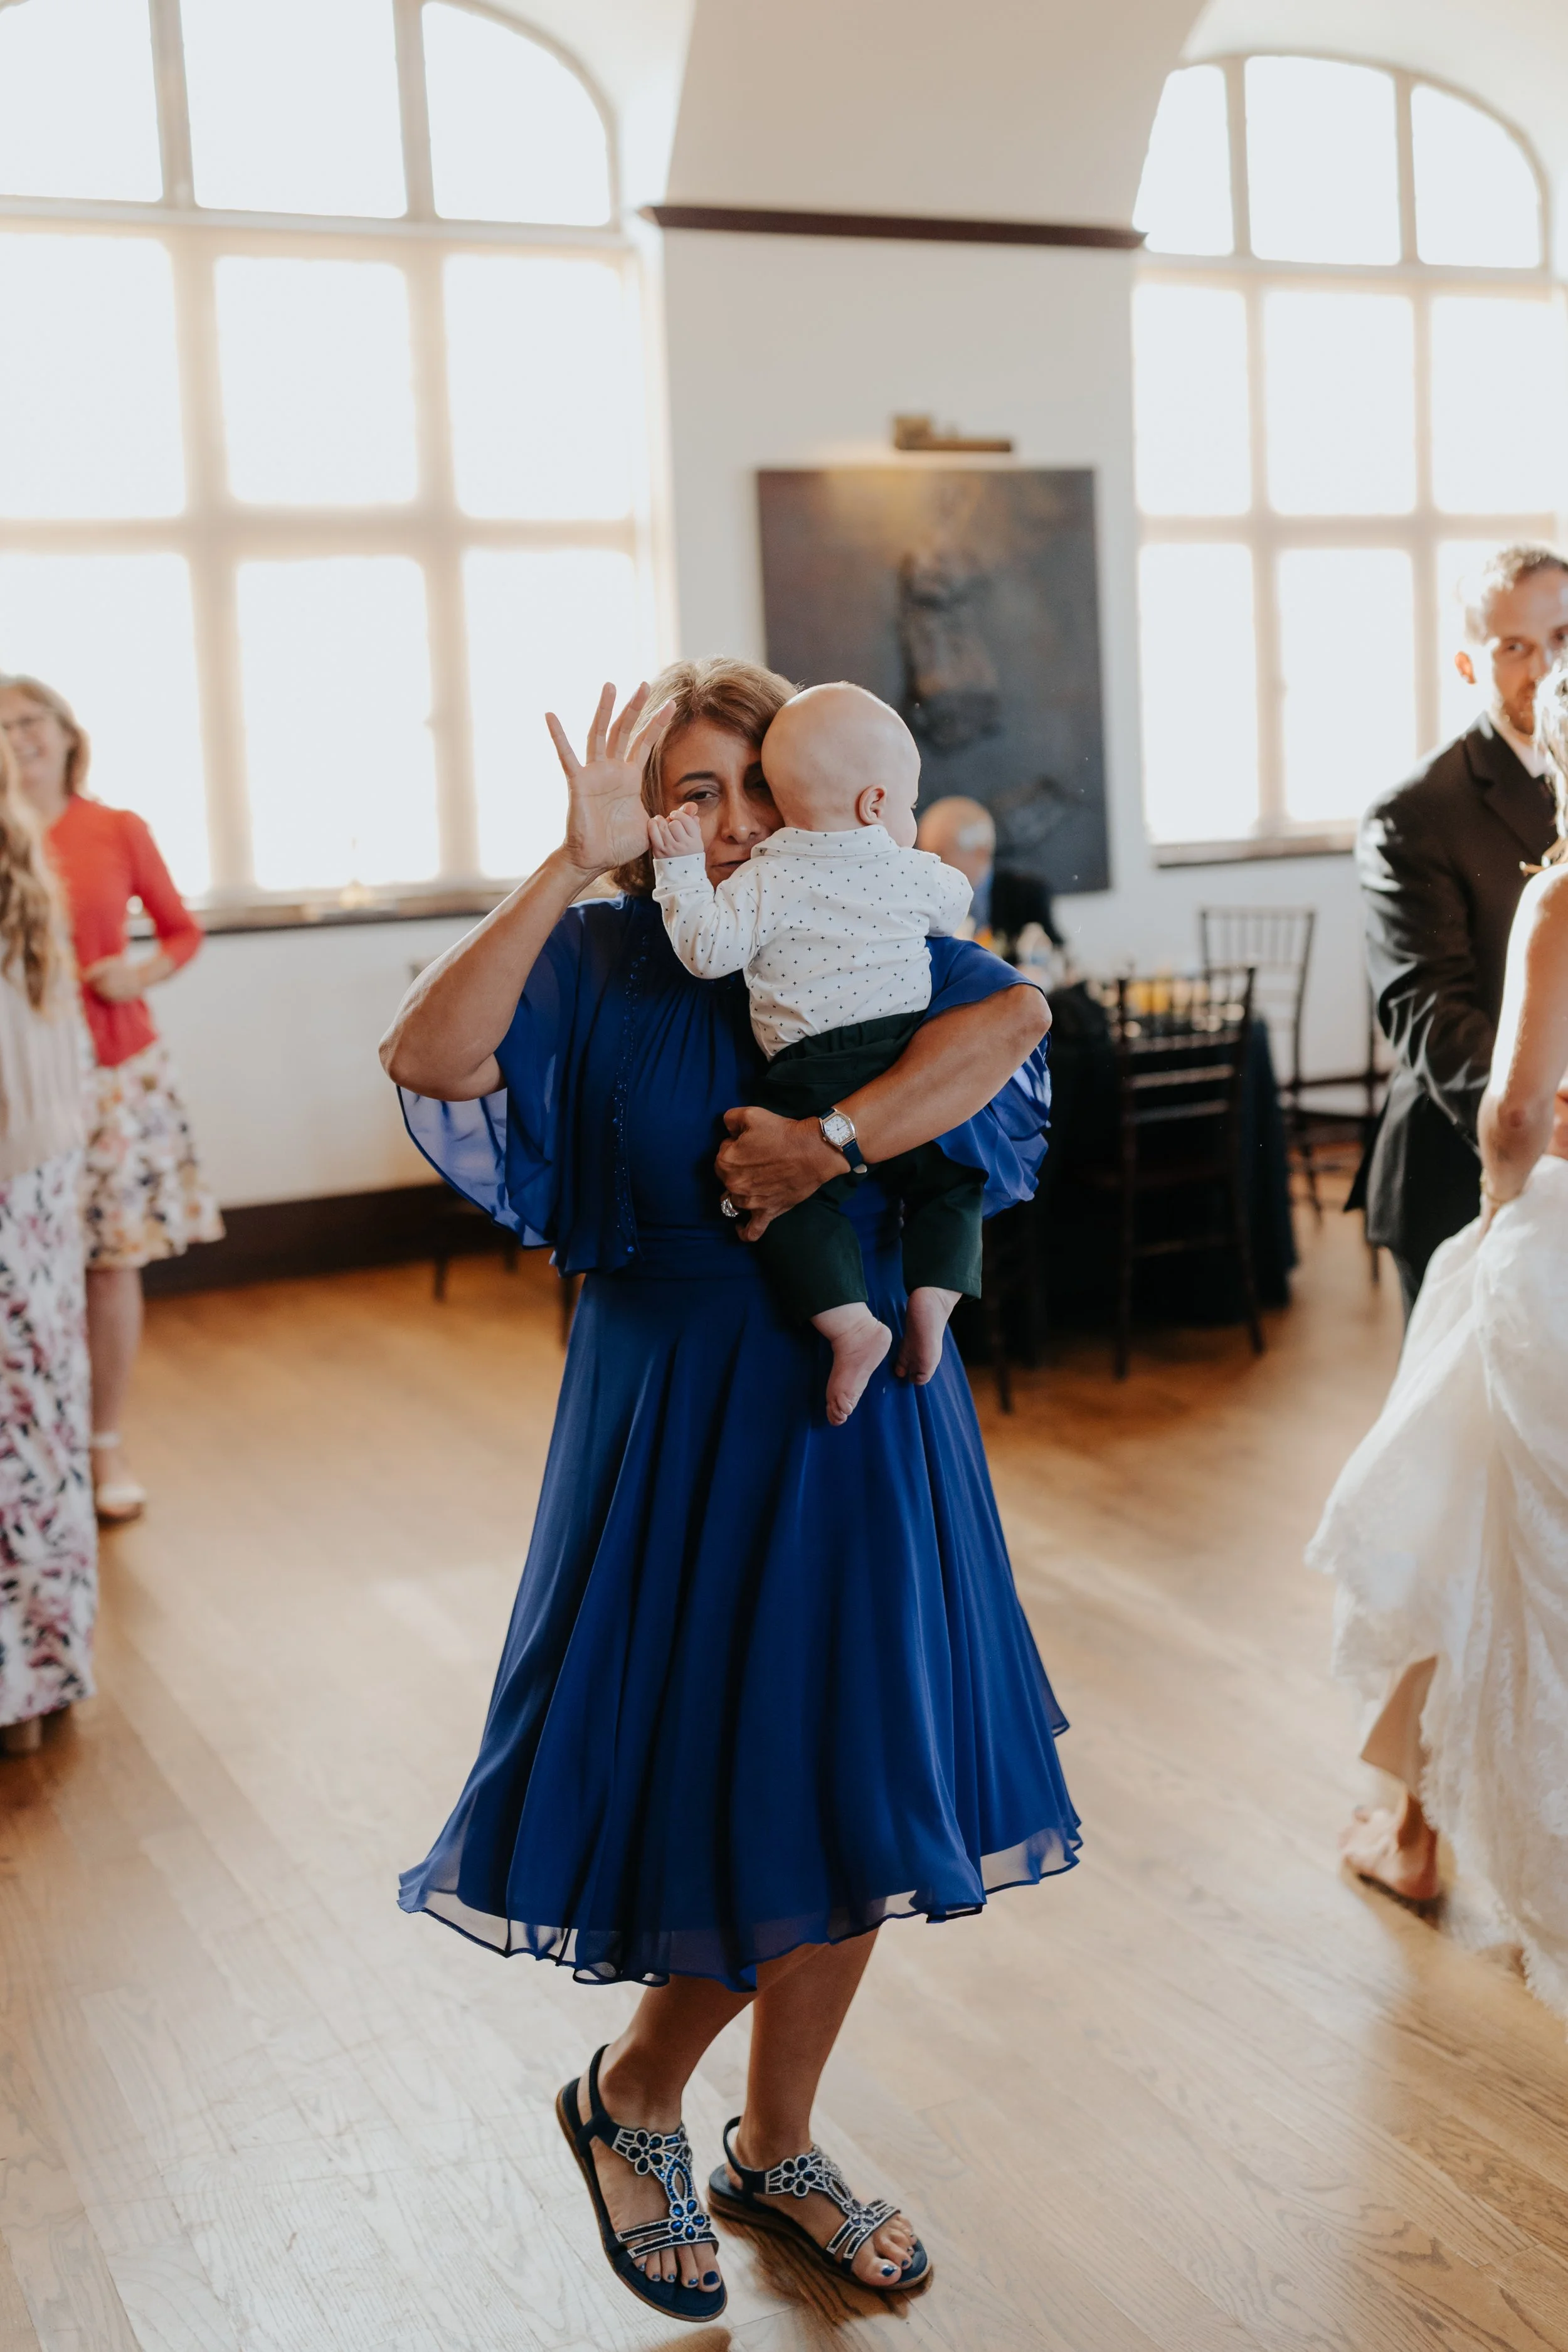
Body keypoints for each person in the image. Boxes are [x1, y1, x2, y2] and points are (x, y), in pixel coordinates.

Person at [383, 659, 1079, 2325]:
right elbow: (430, 1051)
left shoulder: (862, 918)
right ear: (647, 820)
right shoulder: (610, 953)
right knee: (727, 1764)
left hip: (868, 1407)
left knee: (866, 1766)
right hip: (680, 1405)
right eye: (693, 793)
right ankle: (635, 2088)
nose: (734, 820)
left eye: (753, 783)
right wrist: (566, 863)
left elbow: (1011, 1022)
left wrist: (831, 1142)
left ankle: (776, 2143)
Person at [1309, 658, 1568, 2009]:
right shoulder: (1417, 817)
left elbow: (1515, 1114)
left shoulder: (1562, 895)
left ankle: (1419, 1834)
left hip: (1553, 1229)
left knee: (1465, 1522)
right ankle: (1412, 1826)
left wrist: (1504, 1218)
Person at [650, 682, 977, 1424]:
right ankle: (935, 1296)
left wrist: (679, 871)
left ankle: (851, 1327)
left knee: (793, 1201)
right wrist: (913, 865)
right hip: (906, 1060)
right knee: (953, 1178)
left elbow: (707, 952)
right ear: (874, 803)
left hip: (810, 1068)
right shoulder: (909, 868)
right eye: (908, 803)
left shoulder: (766, 877)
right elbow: (955, 905)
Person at [0, 675, 223, 1523]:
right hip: (18, 1086)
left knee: (109, 1261)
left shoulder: (116, 827)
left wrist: (141, 972)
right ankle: (35, 1445)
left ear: (66, 733)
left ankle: (103, 1443)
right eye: (1, 725)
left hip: (115, 1073)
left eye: (31, 720)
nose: (17, 736)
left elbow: (182, 929)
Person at [1357, 544, 1568, 1317]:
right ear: (1466, 664)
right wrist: (1538, 1118)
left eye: (1561, 637)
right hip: (1460, 1164)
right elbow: (1428, 1011)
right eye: (1513, 646)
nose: (1543, 666)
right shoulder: (1413, 814)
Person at [0, 726, 96, 1757]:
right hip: (34, 1194)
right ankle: (38, 1675)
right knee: (34, 1434)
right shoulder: (23, 878)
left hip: (16, 1190)